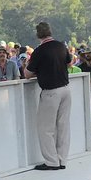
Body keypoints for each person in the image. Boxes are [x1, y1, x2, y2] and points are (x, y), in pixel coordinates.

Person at [22, 21, 73, 170]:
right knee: (63, 126)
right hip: (65, 88)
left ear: (38, 35)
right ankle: (62, 159)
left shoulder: (39, 51)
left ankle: (51, 161)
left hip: (51, 91)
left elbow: (27, 74)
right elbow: (69, 63)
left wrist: (26, 64)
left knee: (46, 128)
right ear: (50, 32)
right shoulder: (61, 46)